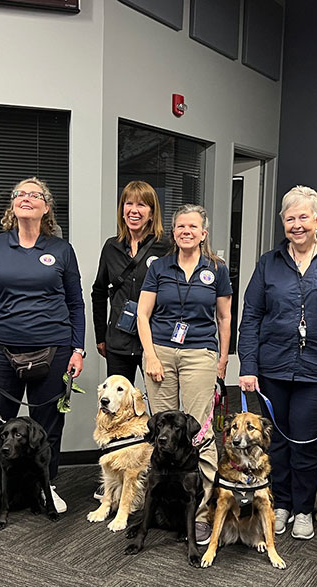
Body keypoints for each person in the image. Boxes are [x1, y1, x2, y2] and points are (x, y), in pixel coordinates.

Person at [238, 185, 317, 541]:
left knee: (306, 442)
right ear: (283, 222)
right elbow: (251, 316)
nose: (297, 225)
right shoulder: (268, 263)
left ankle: (303, 509)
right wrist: (248, 365)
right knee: (276, 441)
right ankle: (280, 506)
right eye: (290, 218)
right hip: (273, 368)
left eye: (303, 217)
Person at [0, 178, 85, 519]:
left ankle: (49, 485)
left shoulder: (61, 250)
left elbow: (76, 303)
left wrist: (78, 349)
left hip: (54, 348)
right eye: (20, 194)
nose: (26, 199)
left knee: (48, 424)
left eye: (35, 195)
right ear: (12, 206)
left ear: (46, 207)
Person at [137, 204, 232, 546]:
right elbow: (143, 315)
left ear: (204, 233)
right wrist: (149, 354)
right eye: (180, 226)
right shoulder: (158, 268)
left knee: (197, 433)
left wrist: (221, 360)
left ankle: (201, 513)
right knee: (161, 431)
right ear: (173, 231)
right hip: (160, 352)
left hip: (200, 354)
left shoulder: (216, 269)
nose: (186, 231)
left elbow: (224, 317)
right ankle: (159, 507)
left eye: (193, 226)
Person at [92, 181, 171, 384]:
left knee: (159, 409)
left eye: (141, 205)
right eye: (129, 204)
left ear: (152, 213)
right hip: (118, 341)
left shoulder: (167, 248)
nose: (133, 211)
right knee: (118, 408)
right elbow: (99, 292)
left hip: (155, 342)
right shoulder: (112, 247)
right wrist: (101, 336)